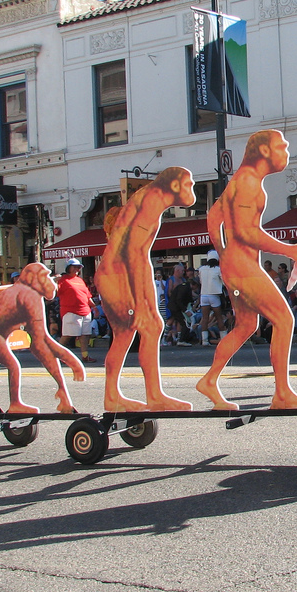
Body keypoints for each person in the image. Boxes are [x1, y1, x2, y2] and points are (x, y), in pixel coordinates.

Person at [196, 130, 297, 410]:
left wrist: (223, 251)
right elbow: (246, 232)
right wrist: (290, 250)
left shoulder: (240, 180)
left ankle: (209, 380)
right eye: (282, 146)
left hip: (237, 265)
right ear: (264, 151)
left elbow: (214, 216)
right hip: (243, 268)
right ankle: (282, 394)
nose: (287, 151)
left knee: (246, 326)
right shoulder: (249, 182)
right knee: (284, 320)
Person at [95, 167, 197, 412]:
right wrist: (137, 298)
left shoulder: (151, 200)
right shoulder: (151, 200)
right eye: (189, 184)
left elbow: (137, 253)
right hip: (118, 274)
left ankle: (150, 395)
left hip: (123, 271)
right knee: (130, 331)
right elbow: (131, 251)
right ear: (174, 186)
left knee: (149, 328)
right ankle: (120, 396)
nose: (193, 188)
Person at [57, 257, 97, 364]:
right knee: (68, 335)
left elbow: (87, 296)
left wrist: (94, 307)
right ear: (68, 268)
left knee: (85, 335)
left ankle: (85, 356)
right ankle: (56, 355)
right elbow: (55, 292)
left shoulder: (80, 280)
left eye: (78, 267)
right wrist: (54, 280)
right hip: (70, 312)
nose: (77, 269)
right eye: (74, 267)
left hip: (85, 311)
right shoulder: (63, 280)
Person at [198, 250, 226, 346]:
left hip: (203, 295)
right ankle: (223, 339)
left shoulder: (202, 269)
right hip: (214, 295)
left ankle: (204, 340)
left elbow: (201, 281)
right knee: (219, 317)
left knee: (205, 318)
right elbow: (224, 282)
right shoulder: (218, 269)